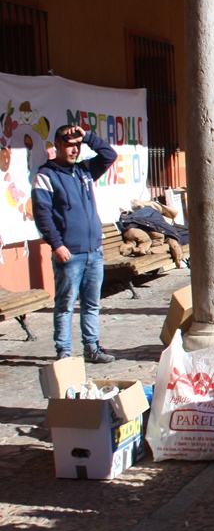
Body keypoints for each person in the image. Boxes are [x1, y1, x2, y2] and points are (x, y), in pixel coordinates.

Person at [32, 124, 119, 363]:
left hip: (94, 251)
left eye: (77, 145)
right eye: (69, 145)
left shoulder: (84, 170)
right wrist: (57, 245)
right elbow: (43, 215)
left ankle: (91, 348)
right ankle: (64, 352)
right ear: (57, 145)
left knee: (92, 305)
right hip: (69, 254)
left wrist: (88, 137)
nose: (74, 150)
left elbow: (109, 155)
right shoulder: (46, 176)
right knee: (65, 305)